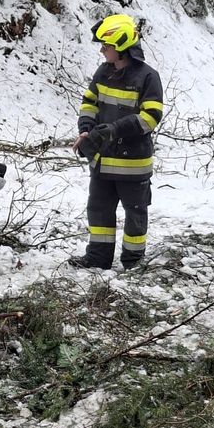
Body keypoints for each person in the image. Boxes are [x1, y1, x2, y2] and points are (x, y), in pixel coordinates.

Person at [69, 14, 163, 270]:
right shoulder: (103, 72)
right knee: (98, 211)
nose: (102, 50)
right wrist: (87, 129)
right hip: (103, 161)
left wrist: (113, 130)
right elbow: (89, 102)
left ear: (121, 48)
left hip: (133, 165)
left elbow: (150, 118)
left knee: (135, 214)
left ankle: (133, 262)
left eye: (106, 46)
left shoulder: (148, 77)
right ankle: (98, 258)